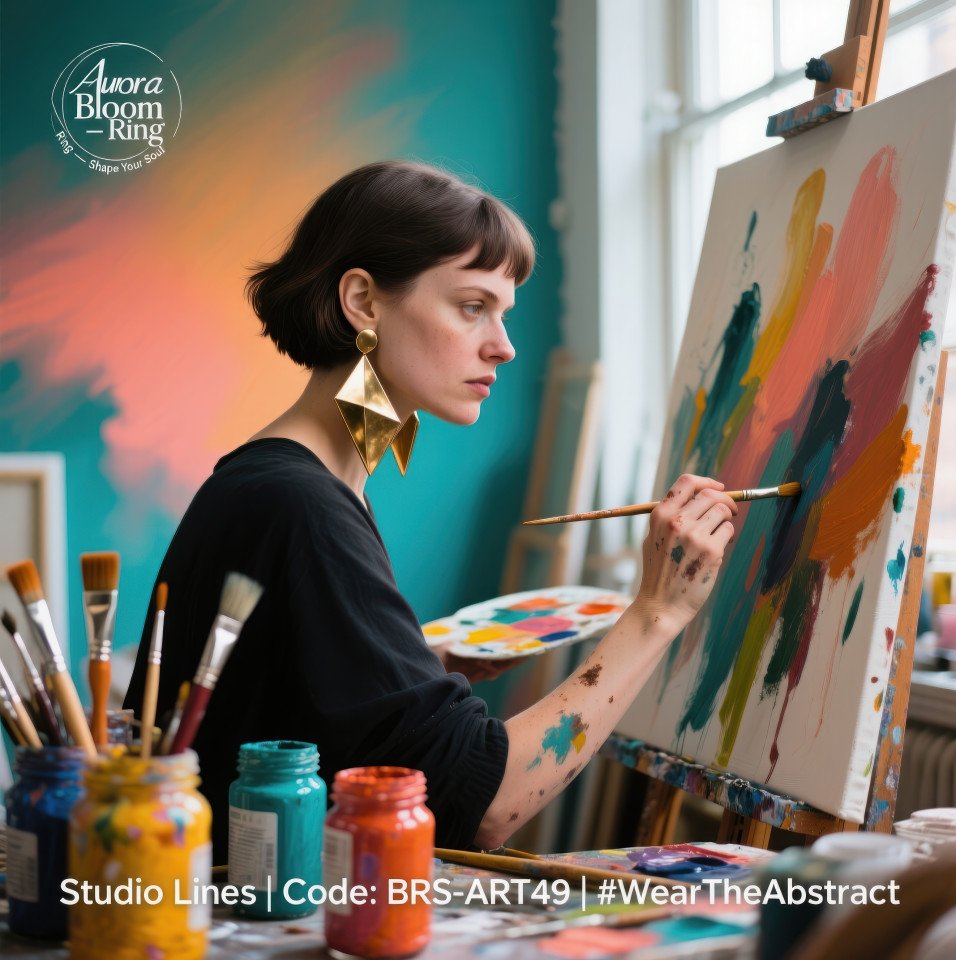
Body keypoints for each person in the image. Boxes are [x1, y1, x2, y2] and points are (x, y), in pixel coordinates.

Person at [123, 160, 737, 862]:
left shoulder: (302, 479)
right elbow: (487, 802)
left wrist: (413, 667)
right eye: (472, 307)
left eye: (502, 313)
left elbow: (295, 708)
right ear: (363, 301)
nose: (502, 345)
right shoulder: (299, 504)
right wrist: (658, 612)